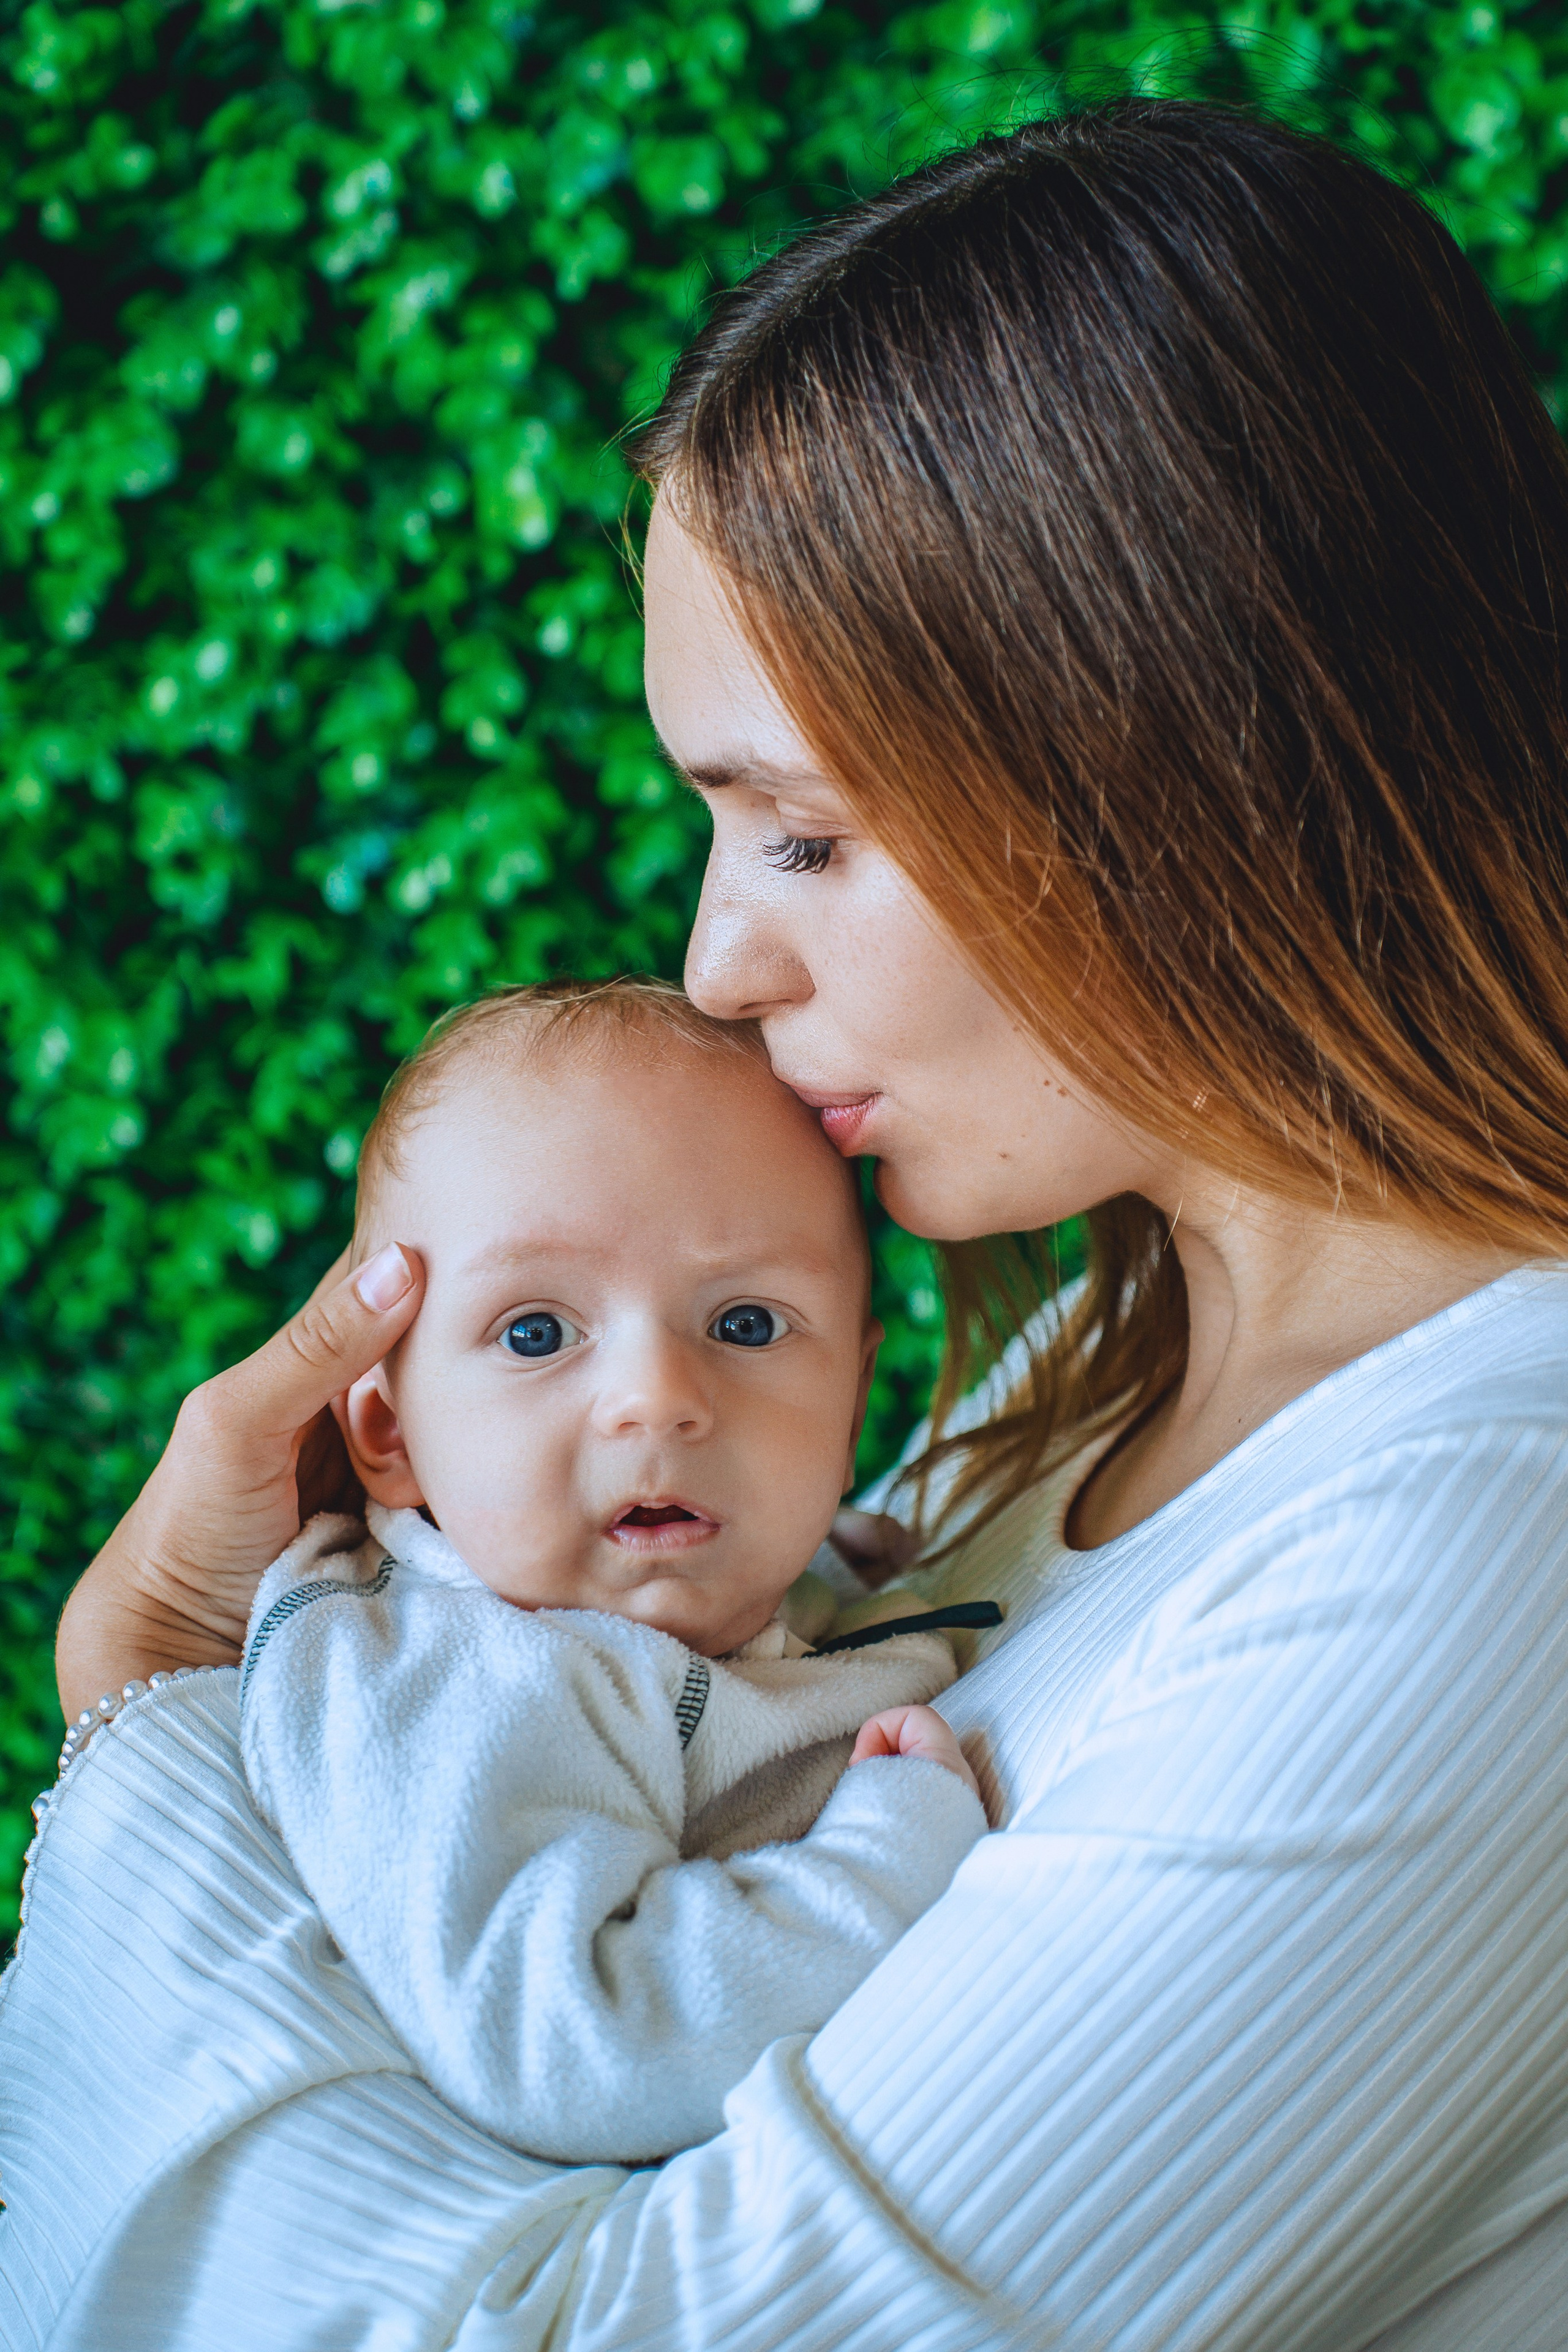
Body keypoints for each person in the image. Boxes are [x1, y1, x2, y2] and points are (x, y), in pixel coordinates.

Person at [10, 94, 1568, 2349]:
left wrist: (156, 1710)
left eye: (809, 836)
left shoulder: (1480, 1555)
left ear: (1178, 756)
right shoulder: (1088, 1381)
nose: (723, 960)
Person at [238, 978, 985, 2168]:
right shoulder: (459, 1678)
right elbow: (588, 2041)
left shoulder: (761, 1588)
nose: (656, 1397)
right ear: (386, 1433)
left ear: (852, 1398)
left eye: (745, 1323)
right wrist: (891, 1854)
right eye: (535, 1333)